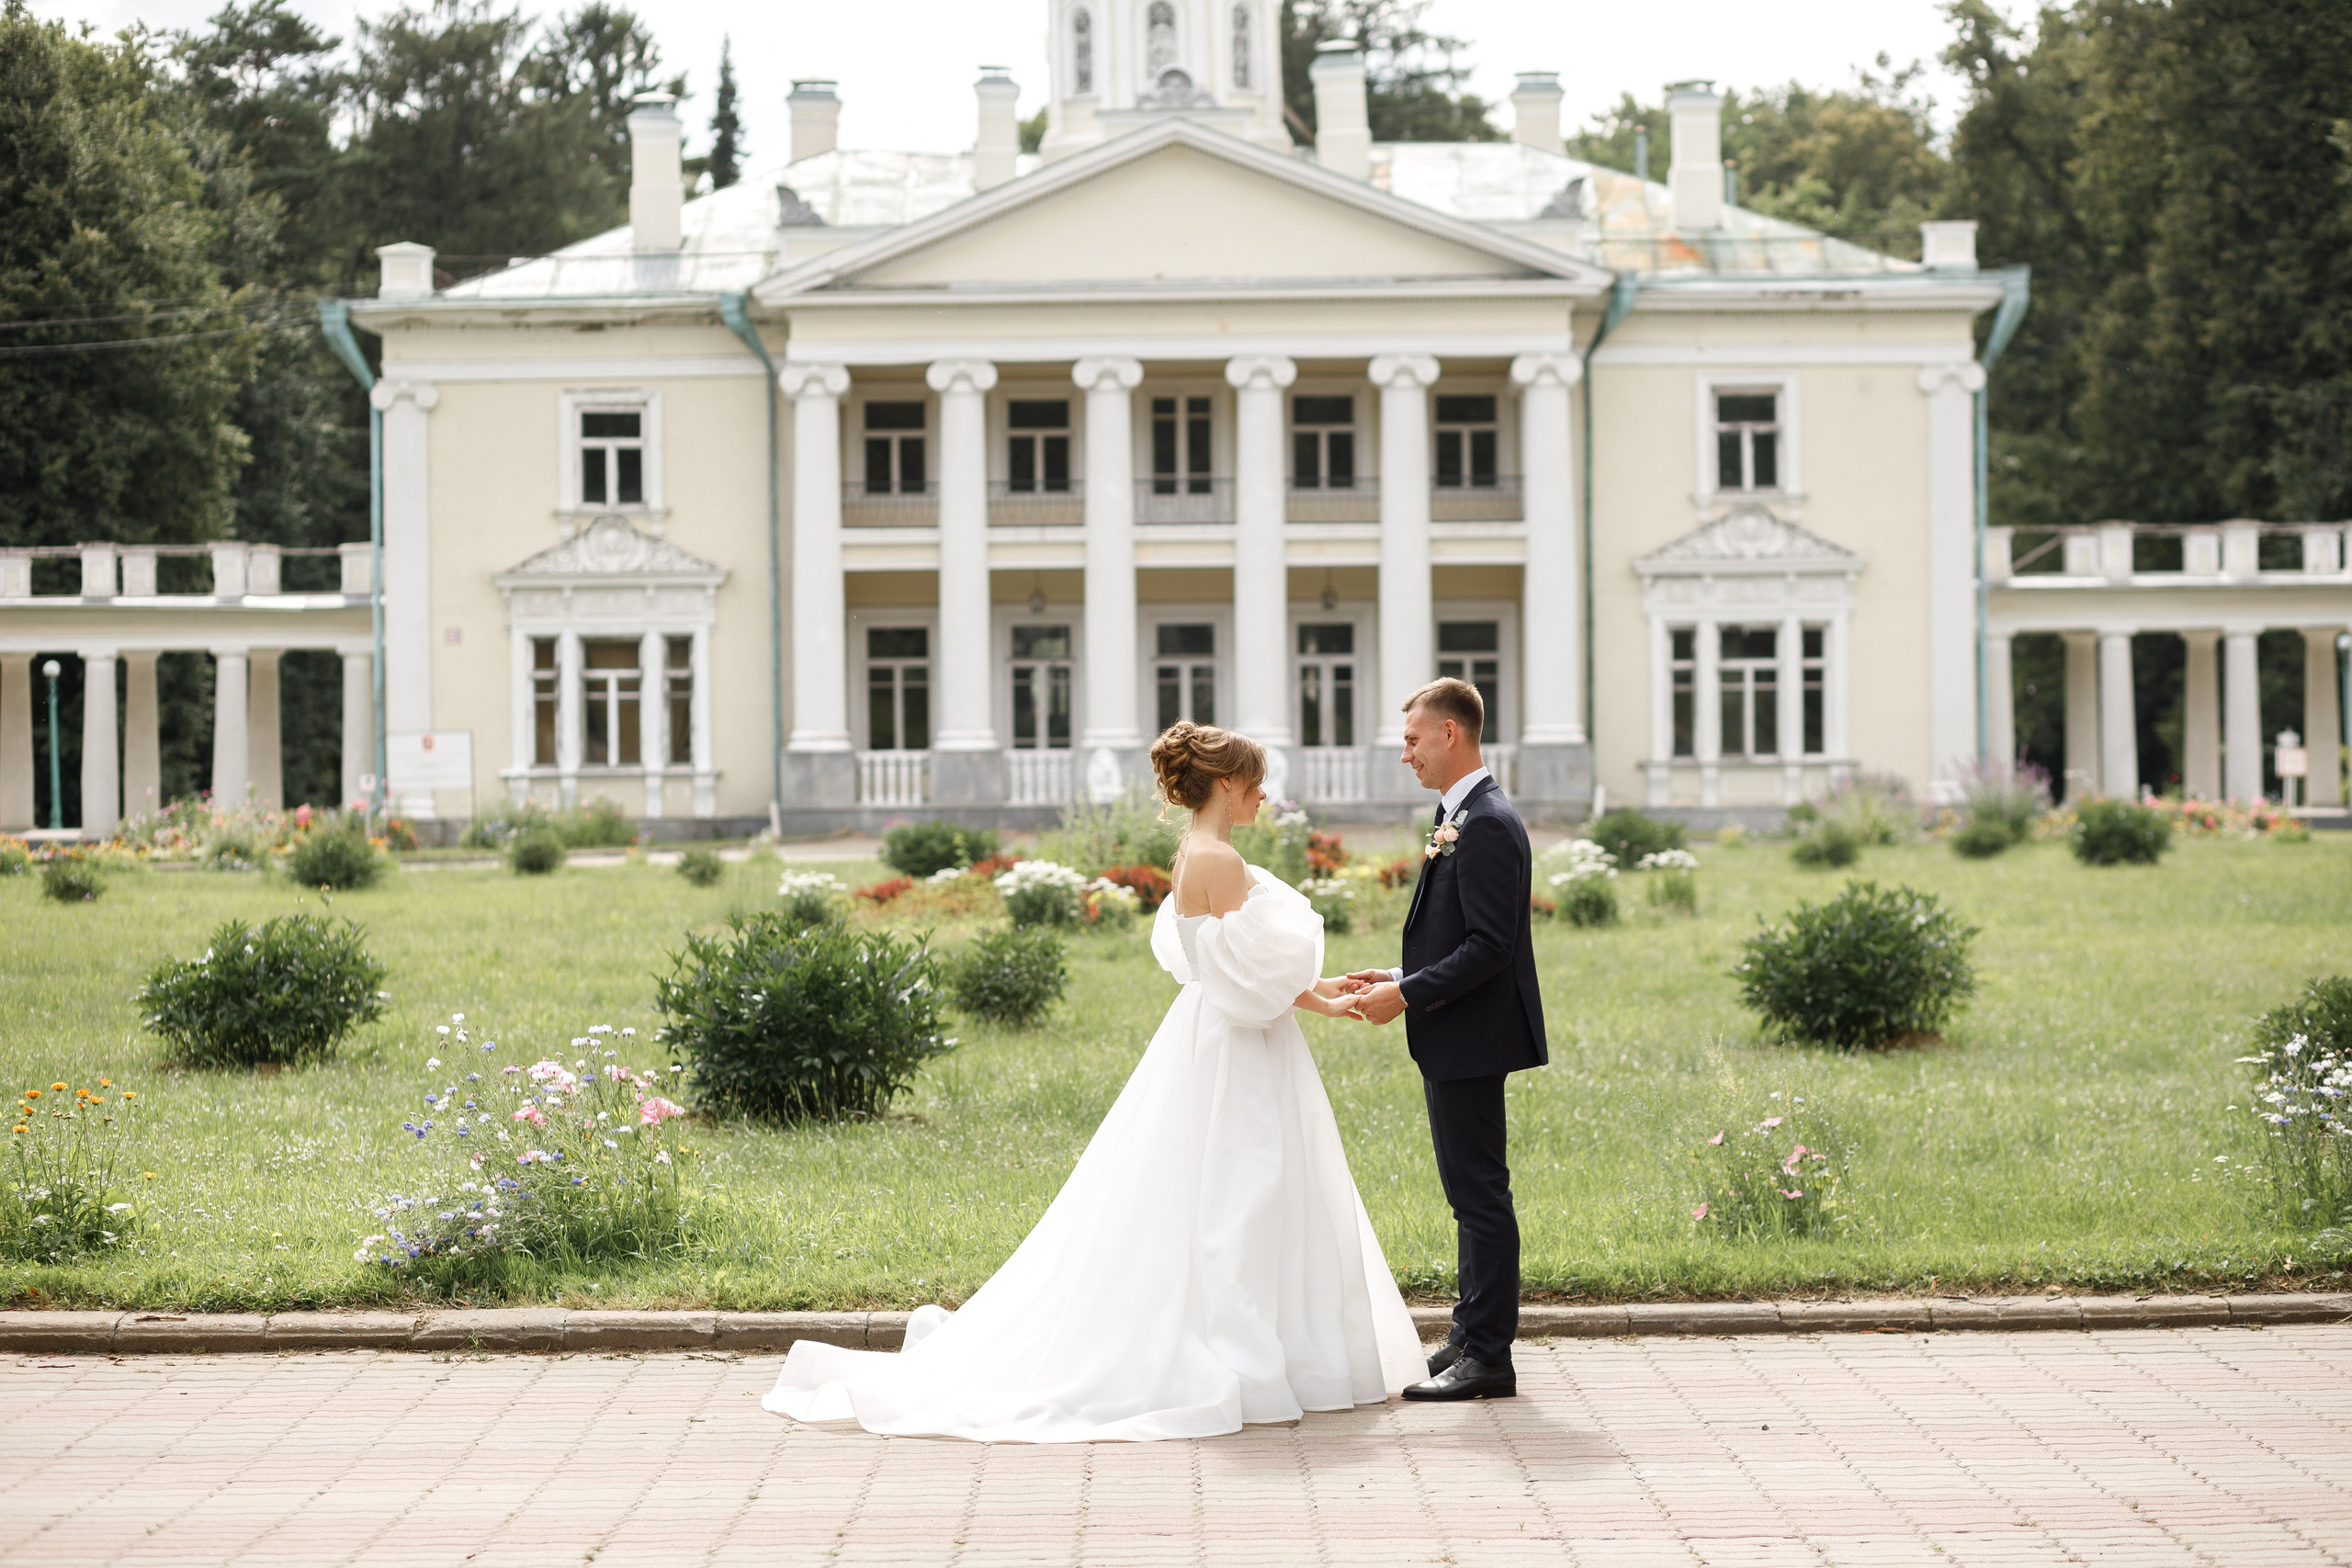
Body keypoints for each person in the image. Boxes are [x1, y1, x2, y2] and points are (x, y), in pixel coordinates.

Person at [763, 720, 1426, 1442]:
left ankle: (1265, 1351)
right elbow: (1251, 979)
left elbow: (1240, 969)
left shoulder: (1196, 851)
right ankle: (1257, 1357)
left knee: (1228, 1195)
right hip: (1239, 1047)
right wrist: (1322, 996)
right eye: (1257, 782)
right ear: (1227, 784)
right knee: (1245, 1194)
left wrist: (1324, 990)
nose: (1264, 795)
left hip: (1216, 1029)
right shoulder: (1221, 861)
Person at [1347, 677, 1546, 1402]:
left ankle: (1489, 1355)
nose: (1406, 754)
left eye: (1411, 739)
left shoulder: (1486, 820)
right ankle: (1468, 1335)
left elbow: (1492, 945)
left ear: (1449, 735)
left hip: (1473, 1032)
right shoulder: (1461, 813)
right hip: (1457, 1028)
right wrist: (1400, 971)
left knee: (1481, 1195)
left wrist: (1406, 994)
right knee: (1469, 1193)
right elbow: (1461, 934)